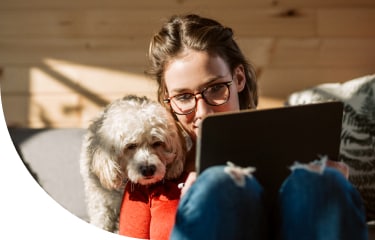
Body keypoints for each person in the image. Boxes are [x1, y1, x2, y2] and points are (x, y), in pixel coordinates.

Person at [144, 14, 368, 239]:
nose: (203, 112)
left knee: (321, 182)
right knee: (219, 184)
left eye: (215, 88)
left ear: (239, 78)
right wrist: (196, 206)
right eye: (183, 97)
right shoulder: (148, 173)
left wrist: (337, 190)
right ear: (167, 99)